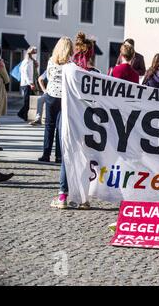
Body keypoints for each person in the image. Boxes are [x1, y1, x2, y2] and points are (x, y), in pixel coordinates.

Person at [52, 32, 94, 210]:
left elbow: (51, 93)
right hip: (76, 114)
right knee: (80, 155)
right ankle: (83, 198)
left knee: (65, 155)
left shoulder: (51, 66)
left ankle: (63, 195)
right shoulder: (73, 69)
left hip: (61, 113)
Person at [38, 38, 73, 164]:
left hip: (51, 94)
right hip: (64, 97)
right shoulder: (70, 64)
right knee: (61, 127)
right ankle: (59, 156)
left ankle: (46, 154)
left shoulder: (51, 61)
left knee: (49, 126)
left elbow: (48, 76)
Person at [17, 46, 37, 121]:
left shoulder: (30, 61)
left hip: (28, 83)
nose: (35, 54)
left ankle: (25, 115)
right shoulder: (26, 61)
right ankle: (22, 114)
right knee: (27, 101)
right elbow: (25, 73)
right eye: (34, 52)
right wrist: (30, 83)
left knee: (30, 101)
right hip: (26, 84)